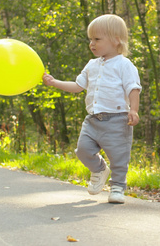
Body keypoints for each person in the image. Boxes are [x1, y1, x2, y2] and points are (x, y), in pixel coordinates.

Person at [42, 14, 142, 204]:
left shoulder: (124, 65)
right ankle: (98, 169)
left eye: (97, 39)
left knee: (119, 157)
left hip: (117, 119)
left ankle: (118, 187)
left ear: (116, 40)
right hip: (93, 120)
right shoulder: (91, 65)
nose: (92, 44)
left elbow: (133, 88)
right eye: (90, 39)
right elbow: (78, 86)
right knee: (82, 150)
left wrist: (134, 110)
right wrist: (54, 83)